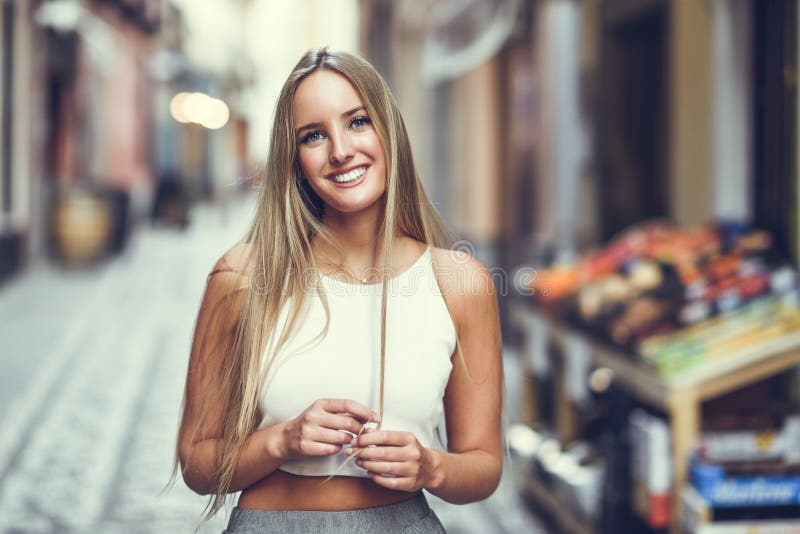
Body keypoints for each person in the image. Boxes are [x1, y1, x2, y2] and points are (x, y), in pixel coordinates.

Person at [172, 47, 503, 533]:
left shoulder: (459, 282)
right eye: (313, 135)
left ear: (389, 131)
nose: (340, 151)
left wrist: (432, 466)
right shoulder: (241, 277)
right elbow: (198, 465)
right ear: (295, 159)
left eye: (358, 122)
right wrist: (282, 440)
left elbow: (484, 466)